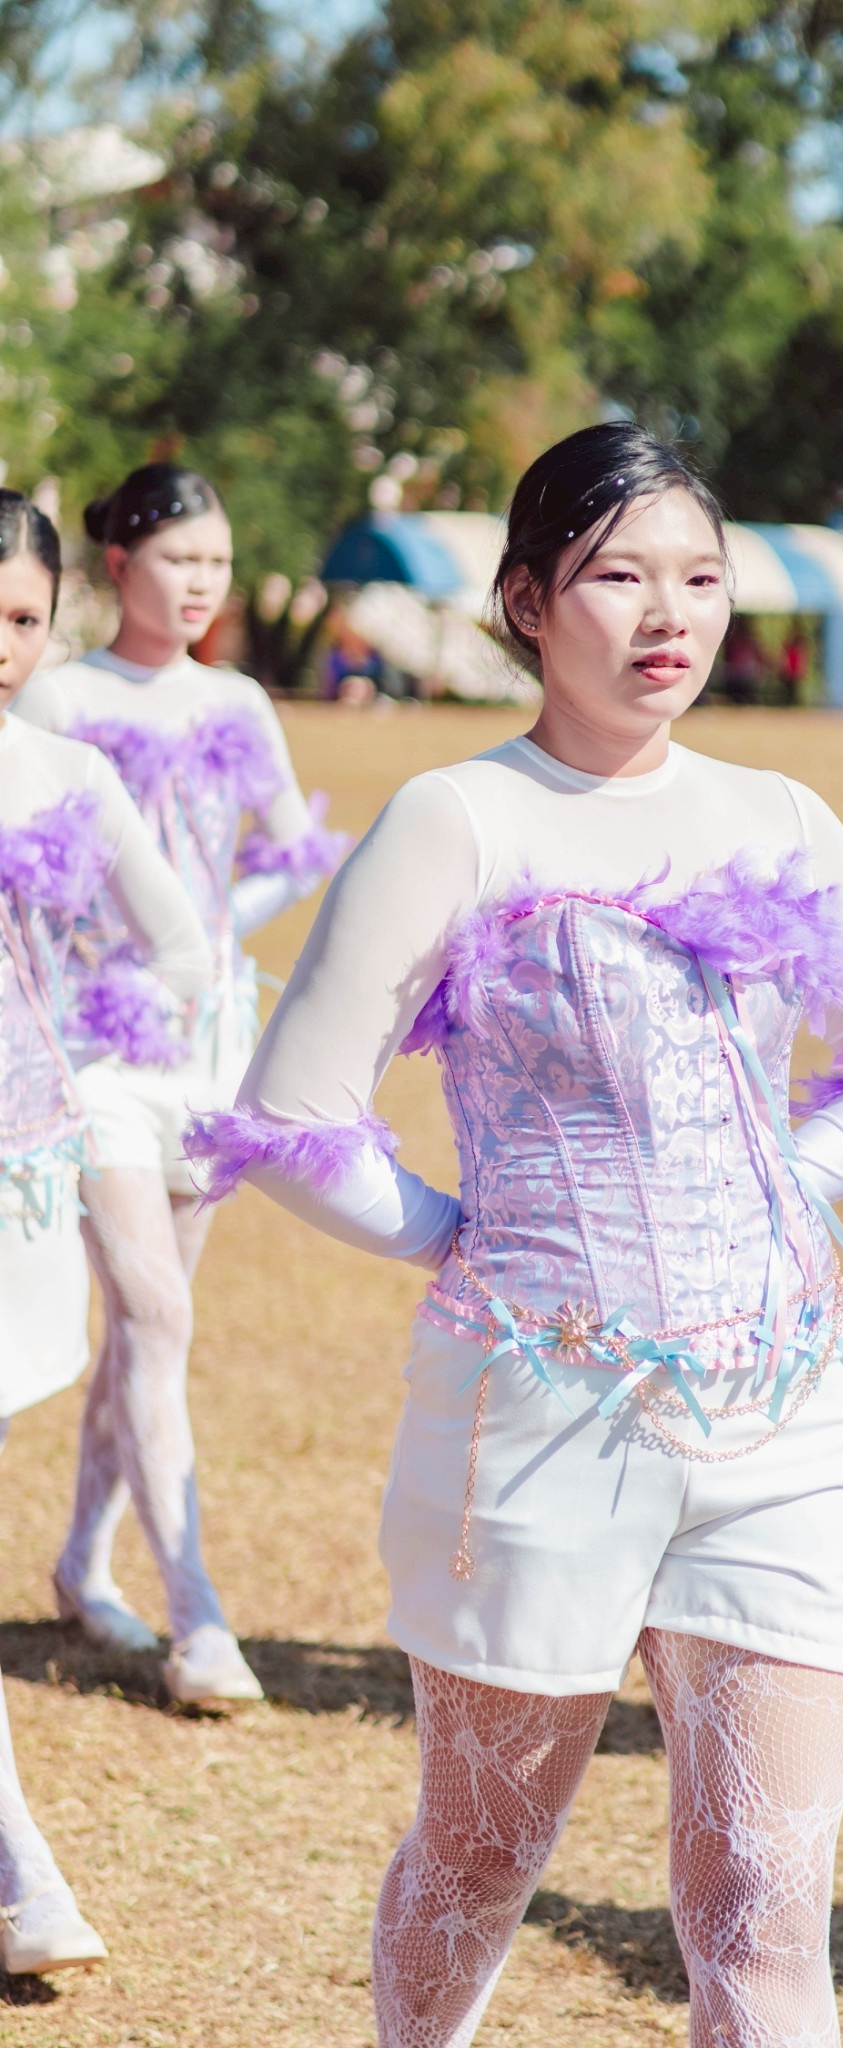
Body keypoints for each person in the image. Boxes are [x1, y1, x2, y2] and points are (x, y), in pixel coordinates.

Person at [184, 422, 843, 2046]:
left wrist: (778, 1180)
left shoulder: (778, 811)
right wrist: (460, 1236)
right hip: (536, 1422)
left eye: (700, 575)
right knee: (483, 1856)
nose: (667, 613)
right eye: (620, 574)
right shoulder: (458, 818)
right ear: (528, 601)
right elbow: (291, 1117)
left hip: (785, 1418)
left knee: (764, 1903)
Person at [16, 464, 349, 1705]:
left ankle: (83, 1558)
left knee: (150, 1327)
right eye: (179, 559)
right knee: (154, 1314)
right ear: (118, 565)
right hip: (92, 1054)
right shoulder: (59, 694)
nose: (202, 582)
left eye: (217, 561)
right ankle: (199, 1614)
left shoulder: (240, 700)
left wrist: (215, 930)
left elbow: (293, 849)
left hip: (208, 1049)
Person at [0, 490, 211, 1973]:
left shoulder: (67, 775)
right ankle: (27, 1872)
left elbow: (180, 942)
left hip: (18, 1175)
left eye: (22, 617)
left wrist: (78, 1045)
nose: (0, 644)